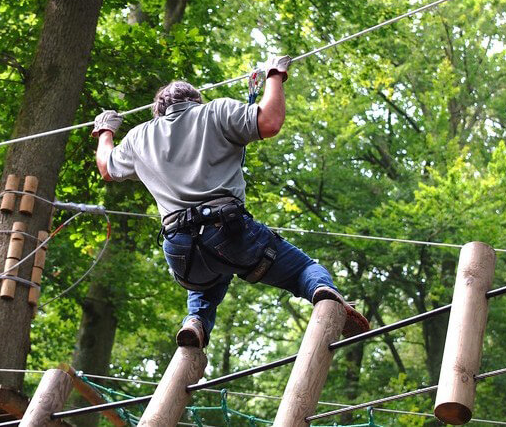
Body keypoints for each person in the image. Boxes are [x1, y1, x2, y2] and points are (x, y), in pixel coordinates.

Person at [92, 56, 369, 348]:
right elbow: (269, 122)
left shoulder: (139, 137)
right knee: (302, 270)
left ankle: (195, 322)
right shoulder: (214, 112)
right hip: (228, 231)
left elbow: (106, 168)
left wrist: (105, 131)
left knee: (211, 273)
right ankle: (323, 292)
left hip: (181, 251)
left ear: (158, 111)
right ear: (195, 99)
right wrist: (275, 74)